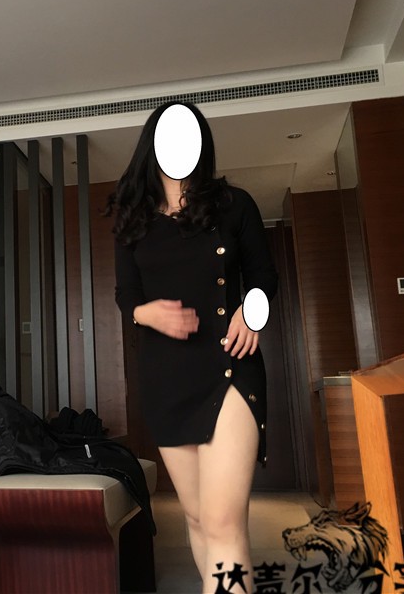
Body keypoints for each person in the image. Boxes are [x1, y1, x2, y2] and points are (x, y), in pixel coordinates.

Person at [106, 100, 277, 594]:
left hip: (230, 366)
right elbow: (126, 294)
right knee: (200, 519)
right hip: (166, 379)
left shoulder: (234, 205)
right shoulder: (132, 219)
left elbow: (263, 276)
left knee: (223, 522)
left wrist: (251, 312)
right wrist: (146, 314)